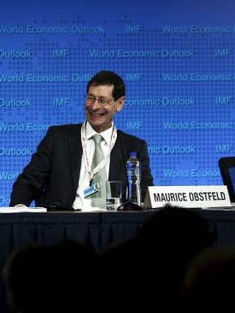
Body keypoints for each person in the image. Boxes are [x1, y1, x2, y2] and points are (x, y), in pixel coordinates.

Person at [10, 70, 153, 209]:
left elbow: (147, 195)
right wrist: (19, 213)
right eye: (91, 98)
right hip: (64, 225)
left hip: (114, 228)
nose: (94, 106)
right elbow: (27, 183)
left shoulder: (134, 147)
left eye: (102, 100)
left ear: (119, 103)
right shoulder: (57, 138)